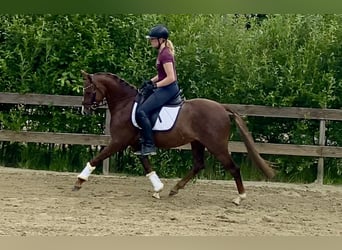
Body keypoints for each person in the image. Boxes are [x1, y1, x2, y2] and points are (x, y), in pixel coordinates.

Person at [135, 24, 180, 156]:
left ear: (162, 40)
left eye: (153, 39)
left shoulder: (165, 54)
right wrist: (151, 81)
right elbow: (162, 75)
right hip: (165, 86)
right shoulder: (162, 52)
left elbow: (171, 77)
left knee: (142, 111)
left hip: (169, 89)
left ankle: (149, 145)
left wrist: (155, 86)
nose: (151, 41)